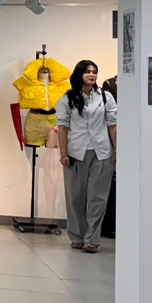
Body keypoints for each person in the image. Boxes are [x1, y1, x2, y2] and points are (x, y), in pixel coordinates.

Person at [54, 59, 117, 252]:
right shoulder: (67, 98)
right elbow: (62, 128)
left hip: (102, 152)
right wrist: (63, 153)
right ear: (79, 74)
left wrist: (116, 151)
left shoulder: (105, 97)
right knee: (75, 197)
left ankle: (92, 239)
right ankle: (77, 236)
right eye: (88, 71)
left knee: (98, 197)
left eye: (94, 72)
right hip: (75, 152)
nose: (92, 75)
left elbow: (112, 125)